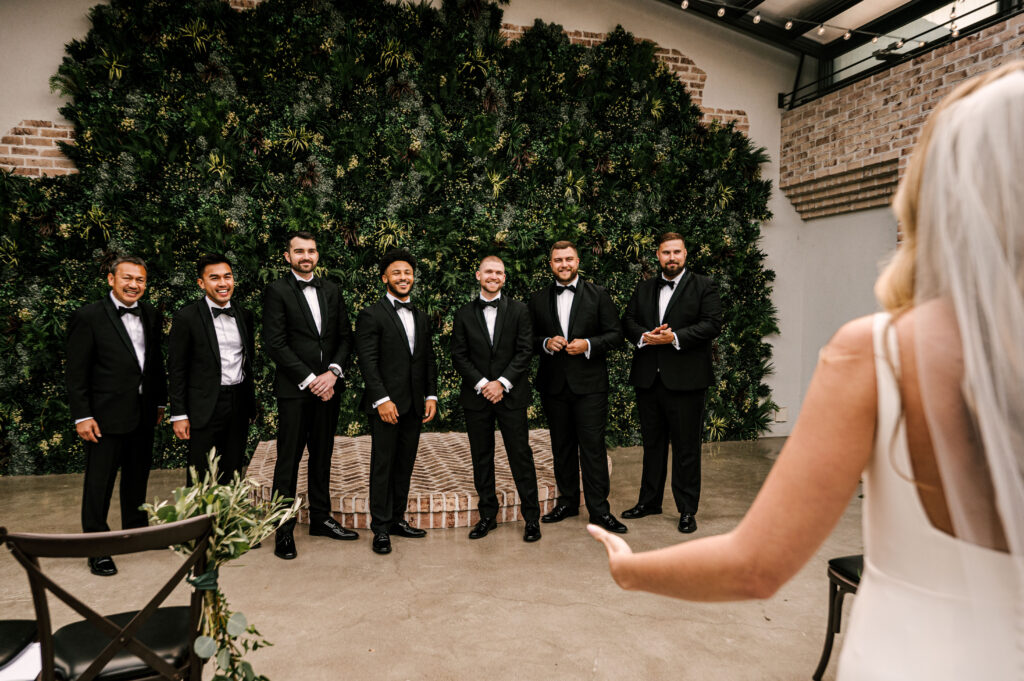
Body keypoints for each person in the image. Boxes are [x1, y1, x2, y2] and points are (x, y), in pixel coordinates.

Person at [589, 63, 1024, 679]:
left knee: (685, 448)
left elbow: (756, 566)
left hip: (914, 659)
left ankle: (678, 507)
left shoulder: (877, 351)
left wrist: (628, 567)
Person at [66, 255, 166, 576]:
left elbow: (154, 363)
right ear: (111, 279)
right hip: (103, 417)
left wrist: (160, 403)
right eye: (127, 278)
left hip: (143, 412)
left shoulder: (150, 313)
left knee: (137, 477)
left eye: (140, 280)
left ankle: (136, 532)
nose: (133, 285)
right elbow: (76, 372)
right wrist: (82, 415)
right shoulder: (89, 316)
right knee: (99, 484)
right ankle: (97, 547)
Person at [263, 230, 356, 560]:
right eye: (299, 251)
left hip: (329, 389)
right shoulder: (276, 291)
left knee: (322, 455)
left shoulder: (331, 289)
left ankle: (321, 518)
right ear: (287, 256)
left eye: (311, 251)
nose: (306, 256)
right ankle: (283, 528)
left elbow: (345, 337)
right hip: (295, 391)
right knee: (287, 460)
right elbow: (274, 342)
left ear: (317, 255)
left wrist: (331, 374)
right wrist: (309, 378)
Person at [620, 233, 722, 533]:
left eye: (677, 252)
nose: (672, 257)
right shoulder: (644, 287)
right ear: (658, 255)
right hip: (649, 378)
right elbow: (628, 321)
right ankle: (649, 501)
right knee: (652, 445)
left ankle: (687, 509)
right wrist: (644, 337)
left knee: (686, 448)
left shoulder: (704, 286)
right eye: (666, 252)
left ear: (686, 254)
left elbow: (711, 324)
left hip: (688, 381)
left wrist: (674, 337)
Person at [528, 240, 627, 534]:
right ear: (551, 265)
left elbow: (616, 335)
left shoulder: (598, 295)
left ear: (578, 261)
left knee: (592, 449)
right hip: (554, 386)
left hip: (590, 386)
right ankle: (568, 502)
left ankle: (599, 511)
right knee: (562, 447)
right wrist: (545, 343)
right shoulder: (537, 299)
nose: (564, 264)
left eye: (568, 259)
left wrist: (589, 345)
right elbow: (527, 340)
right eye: (558, 260)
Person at [450, 255, 542, 542]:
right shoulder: (464, 313)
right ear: (478, 275)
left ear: (504, 278)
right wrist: (482, 384)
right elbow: (459, 355)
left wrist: (501, 384)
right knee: (482, 457)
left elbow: (525, 351)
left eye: (499, 272)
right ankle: (488, 515)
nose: (493, 276)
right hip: (477, 397)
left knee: (521, 456)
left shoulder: (520, 310)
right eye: (488, 271)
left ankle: (531, 518)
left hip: (510, 394)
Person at [355, 248, 438, 555]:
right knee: (383, 465)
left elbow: (428, 358)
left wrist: (431, 394)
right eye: (397, 273)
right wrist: (382, 400)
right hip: (387, 406)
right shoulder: (371, 314)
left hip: (416, 404)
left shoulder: (421, 314)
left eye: (408, 273)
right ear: (384, 278)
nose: (404, 278)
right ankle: (380, 528)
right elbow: (368, 361)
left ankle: (397, 519)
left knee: (404, 464)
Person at [168, 254, 257, 484]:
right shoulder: (186, 317)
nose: (222, 283)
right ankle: (199, 519)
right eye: (214, 278)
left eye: (227, 276)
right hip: (204, 405)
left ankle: (228, 519)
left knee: (234, 470)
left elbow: (248, 360)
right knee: (200, 475)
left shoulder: (244, 315)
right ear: (201, 283)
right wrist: (179, 413)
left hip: (238, 403)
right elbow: (177, 368)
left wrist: (250, 403)